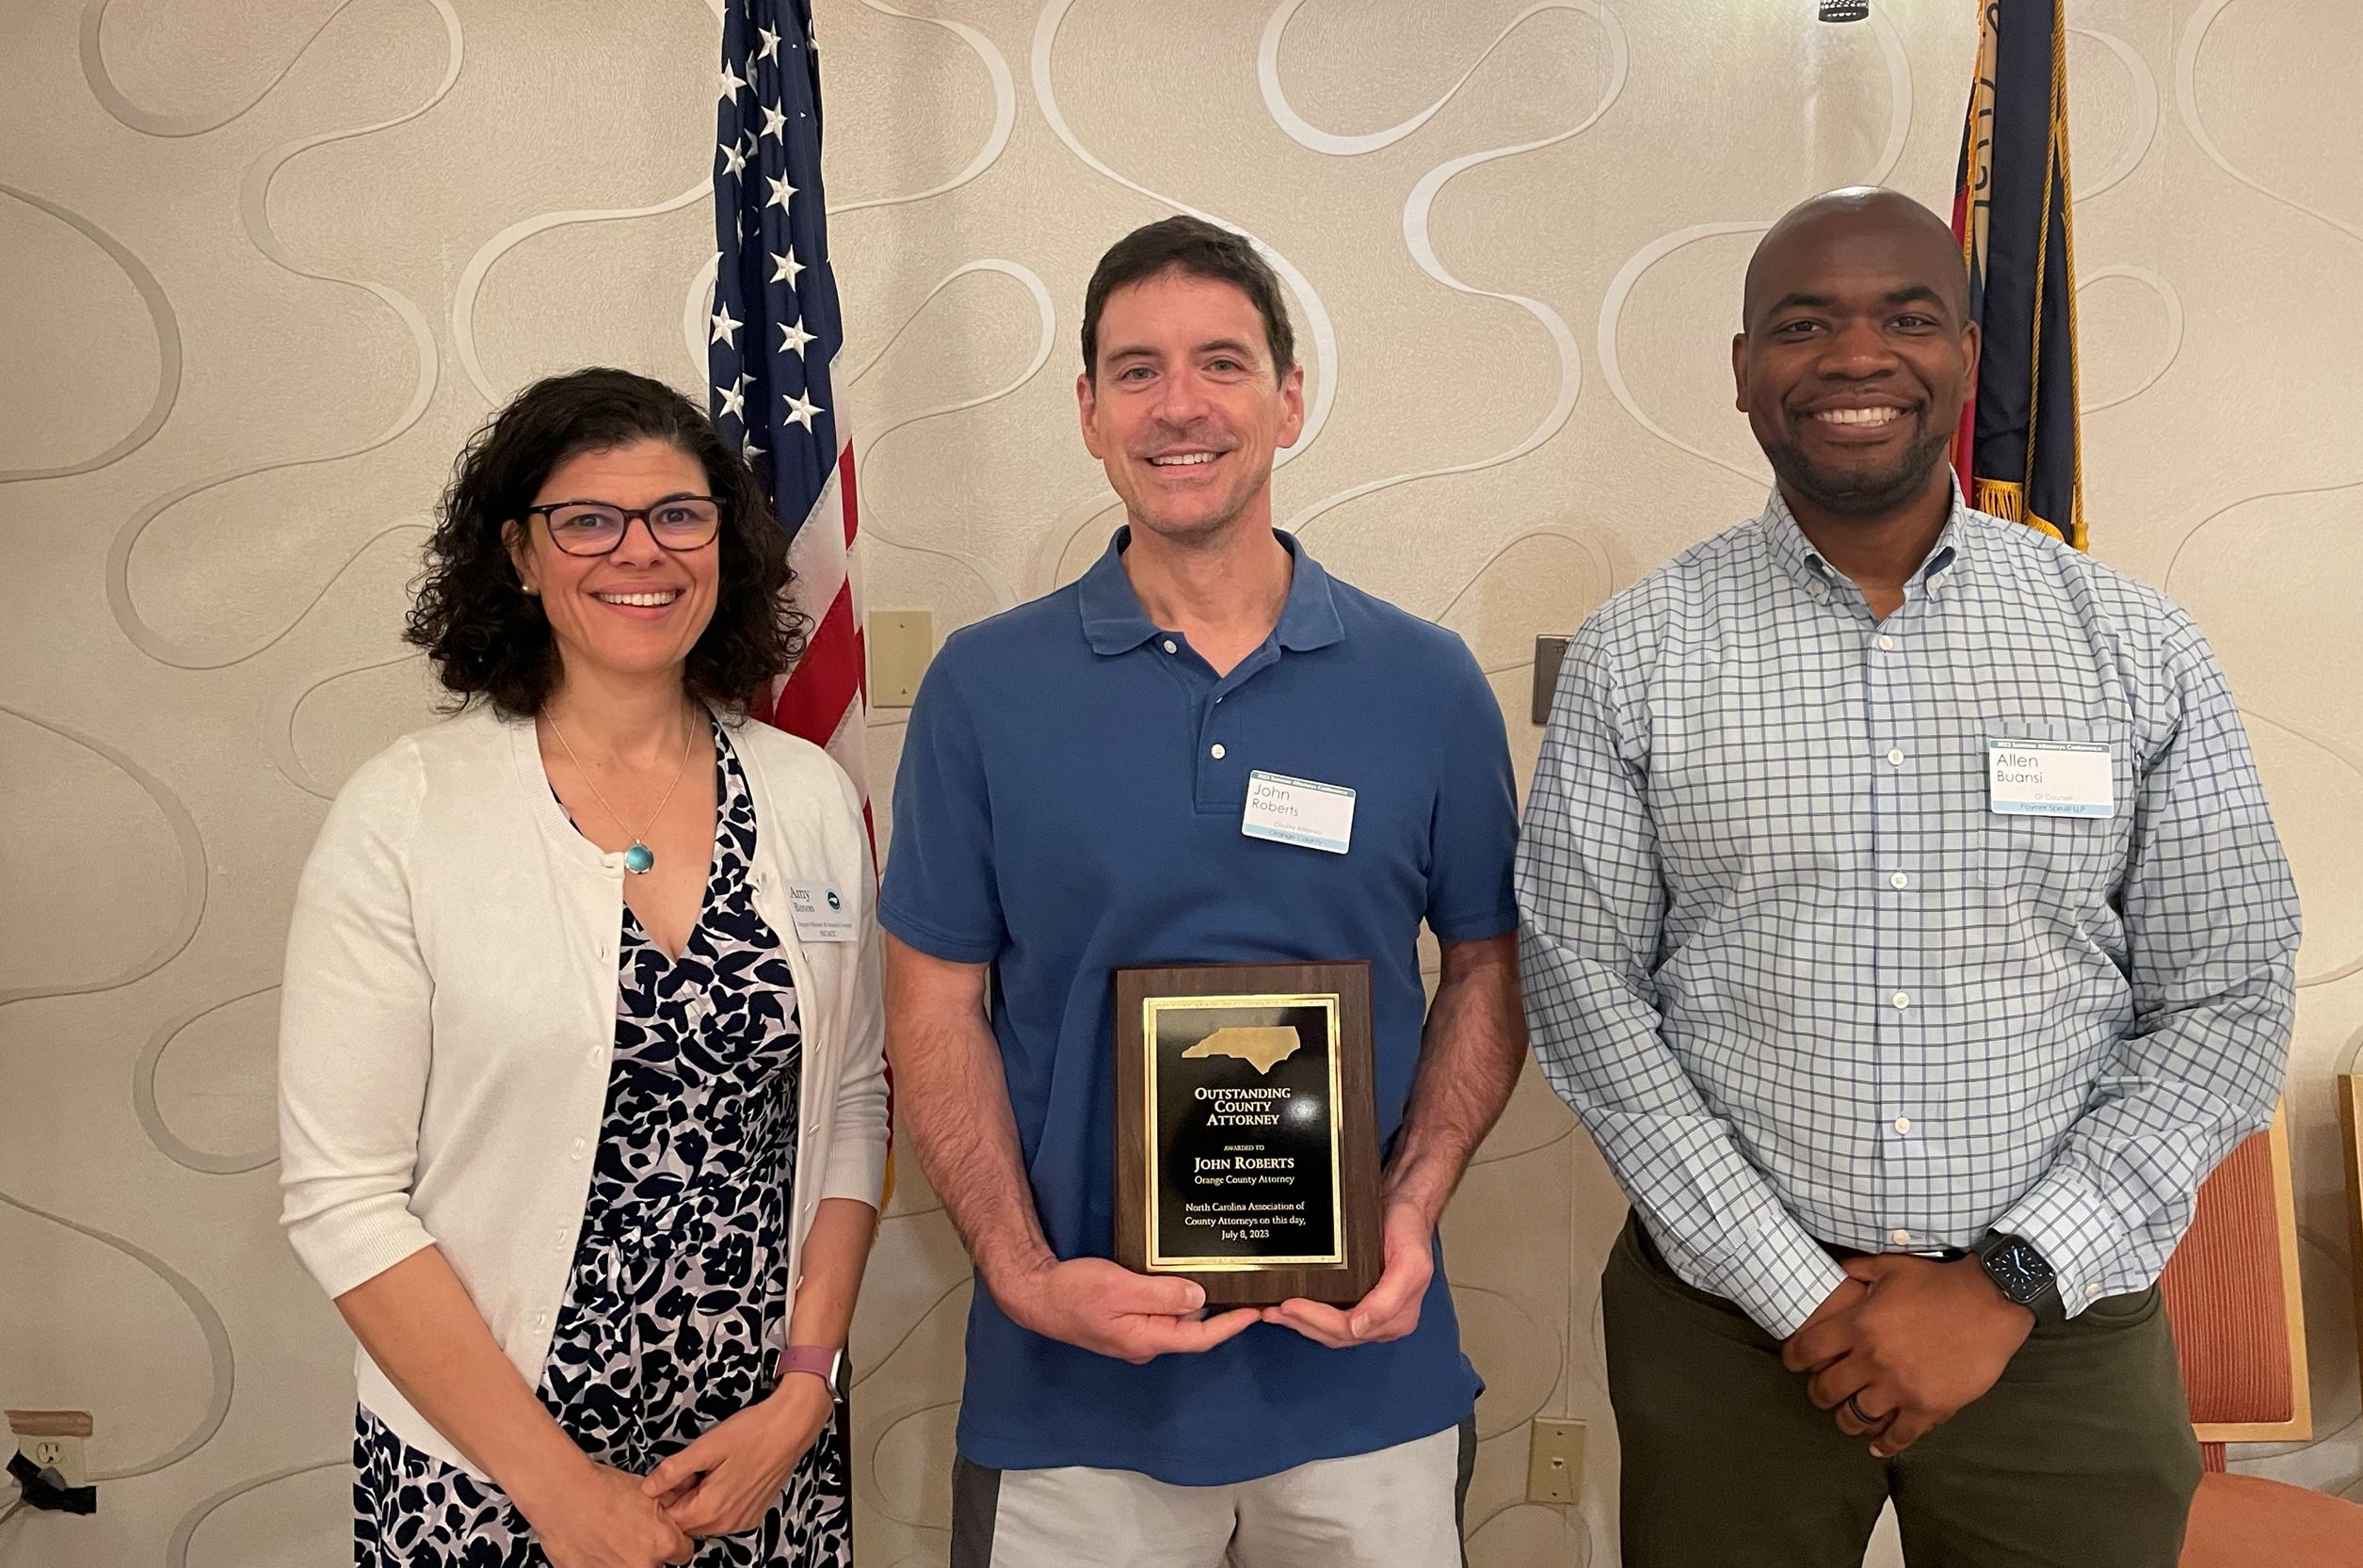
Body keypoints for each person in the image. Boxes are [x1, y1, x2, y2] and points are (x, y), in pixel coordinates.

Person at [1517, 187, 2299, 1568]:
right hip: (1729, 1337)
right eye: (1805, 323)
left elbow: (2228, 995)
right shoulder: (1639, 654)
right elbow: (1585, 997)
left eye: (1908, 317)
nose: (1857, 356)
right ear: (1746, 369)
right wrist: (1795, 1290)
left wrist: (2004, 1284)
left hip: (2056, 1335)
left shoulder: (2131, 641)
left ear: (1966, 359)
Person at [880, 216, 1526, 1567]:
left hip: (1367, 1383)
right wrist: (1018, 1271)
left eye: (1222, 363)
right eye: (1136, 370)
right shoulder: (984, 692)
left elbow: (1486, 968)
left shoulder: (1428, 684)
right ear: (1089, 412)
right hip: (1069, 1398)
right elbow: (931, 1008)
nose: (1180, 405)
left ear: (1290, 398)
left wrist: (1410, 1210)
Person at [278, 368, 887, 1568]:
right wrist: (557, 1488)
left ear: (723, 540)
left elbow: (853, 1105)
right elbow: (341, 1198)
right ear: (518, 552)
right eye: (587, 520)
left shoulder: (807, 796)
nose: (638, 552)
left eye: (678, 513)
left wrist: (806, 1388)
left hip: (755, 1461)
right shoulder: (406, 813)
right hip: (488, 1473)